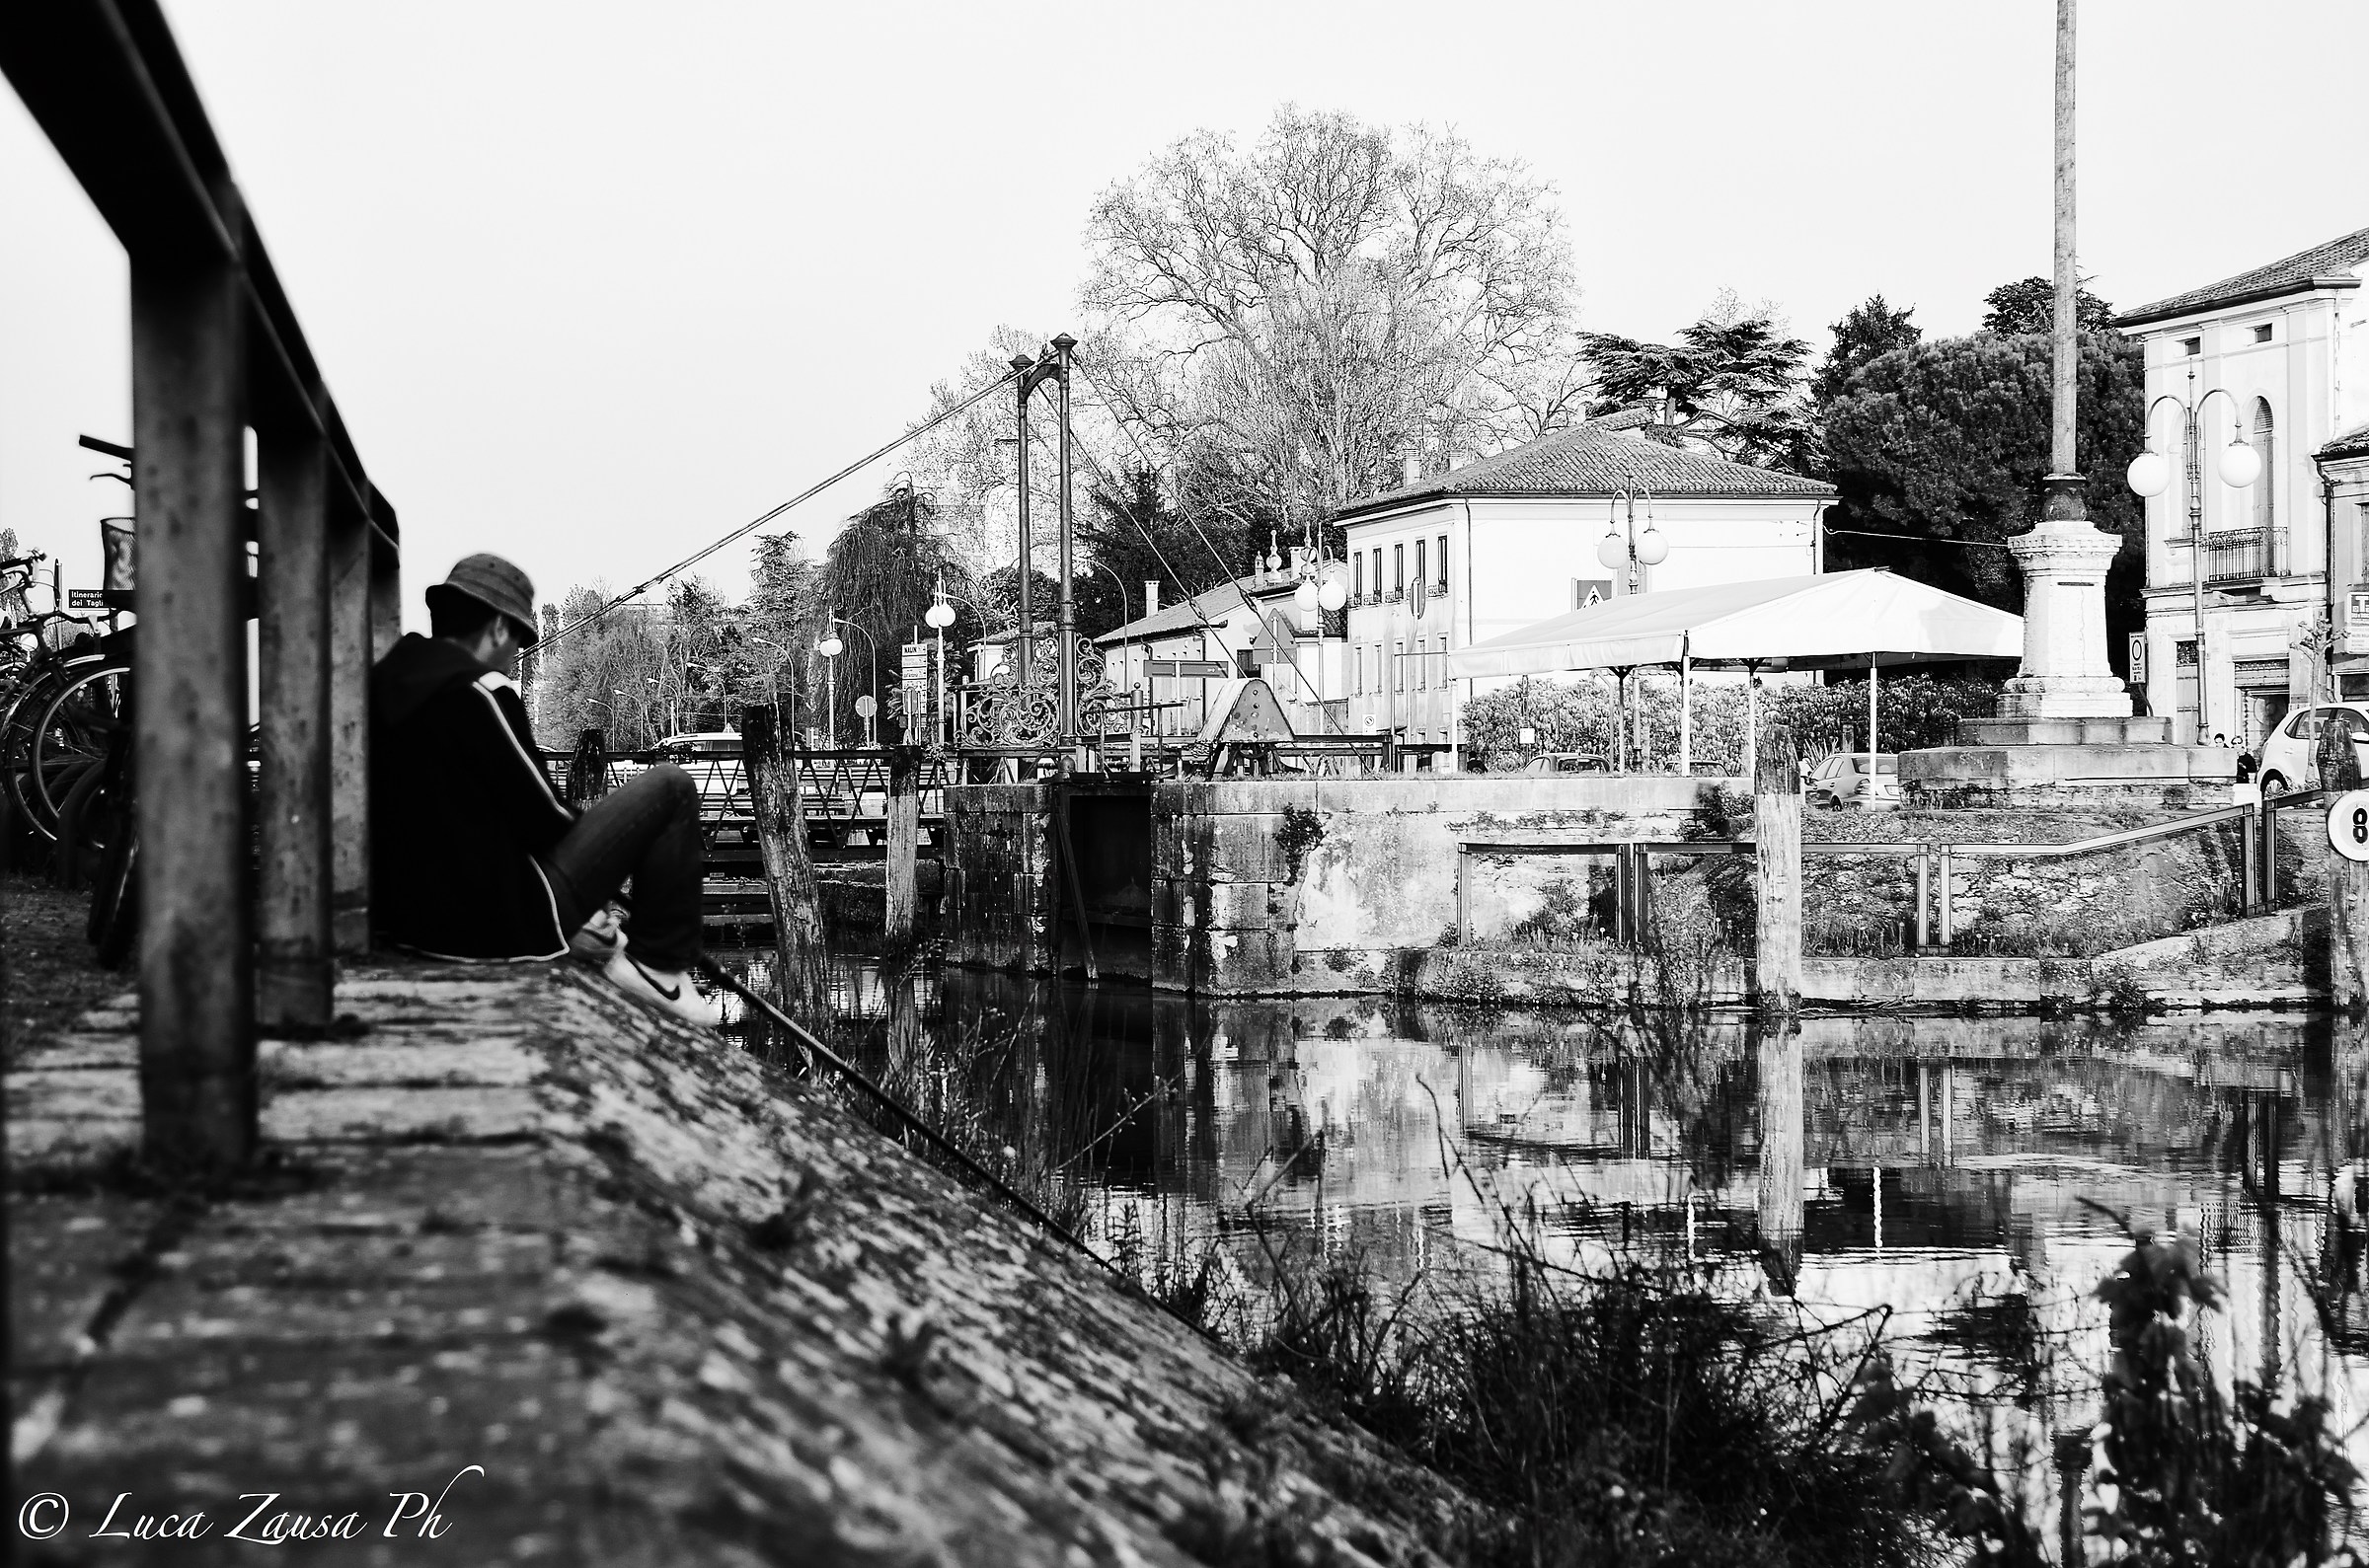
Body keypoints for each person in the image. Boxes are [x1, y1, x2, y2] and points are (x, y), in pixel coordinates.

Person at [370, 554, 720, 1026]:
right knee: (672, 787)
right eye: (517, 641)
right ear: (497, 629)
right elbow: (544, 818)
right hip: (495, 924)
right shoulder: (479, 693)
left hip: (412, 926)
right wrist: (596, 881)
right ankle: (658, 965)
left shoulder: (386, 687)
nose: (516, 658)